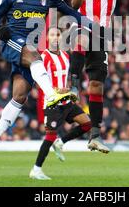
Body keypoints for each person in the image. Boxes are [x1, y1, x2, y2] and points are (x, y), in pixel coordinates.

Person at [0, 0, 98, 160]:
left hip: (28, 51)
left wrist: (94, 26)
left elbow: (71, 12)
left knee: (19, 97)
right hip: (12, 41)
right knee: (35, 54)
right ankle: (52, 93)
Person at [69, 0, 129, 153]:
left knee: (97, 85)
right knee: (81, 33)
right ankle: (73, 85)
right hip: (82, 26)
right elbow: (74, 5)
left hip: (102, 34)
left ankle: (95, 134)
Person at [30, 27, 91, 180]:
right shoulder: (42, 57)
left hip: (67, 101)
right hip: (52, 103)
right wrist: (55, 89)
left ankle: (61, 142)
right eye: (52, 35)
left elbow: (65, 77)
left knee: (87, 124)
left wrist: (70, 90)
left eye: (58, 34)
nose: (56, 37)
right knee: (50, 136)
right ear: (48, 38)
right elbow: (38, 81)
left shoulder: (65, 55)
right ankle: (36, 170)